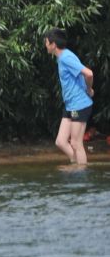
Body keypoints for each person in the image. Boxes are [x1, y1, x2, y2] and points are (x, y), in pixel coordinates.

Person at [44, 30, 94, 166]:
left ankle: (81, 174)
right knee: (60, 141)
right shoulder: (62, 57)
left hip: (79, 104)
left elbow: (88, 73)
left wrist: (89, 89)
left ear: (53, 44)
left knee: (76, 143)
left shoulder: (66, 57)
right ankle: (77, 164)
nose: (46, 45)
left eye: (47, 43)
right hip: (70, 104)